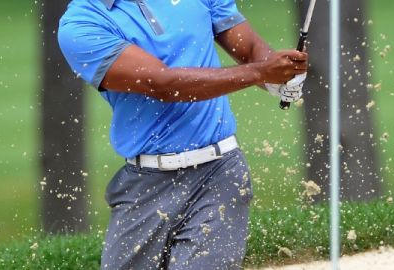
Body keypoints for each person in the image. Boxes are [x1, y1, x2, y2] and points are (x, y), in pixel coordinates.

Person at [58, 0, 307, 269]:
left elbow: (248, 49)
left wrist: (278, 73)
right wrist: (260, 72)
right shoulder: (81, 23)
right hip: (145, 185)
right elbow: (162, 84)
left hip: (219, 173)